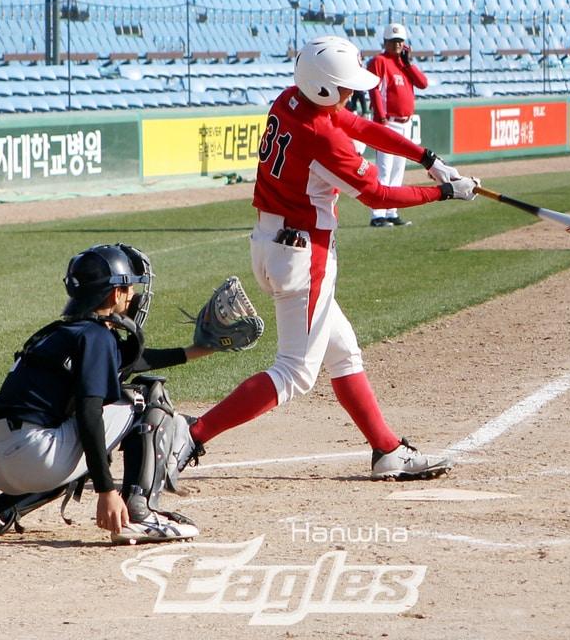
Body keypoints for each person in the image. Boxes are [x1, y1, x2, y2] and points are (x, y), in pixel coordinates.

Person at [181, 35, 477, 481]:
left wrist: (426, 157)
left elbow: (356, 126)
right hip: (304, 254)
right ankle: (190, 437)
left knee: (343, 353)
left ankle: (386, 450)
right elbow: (377, 194)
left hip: (273, 243)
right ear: (322, 86)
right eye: (344, 87)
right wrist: (444, 192)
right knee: (295, 372)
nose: (352, 93)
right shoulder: (320, 137)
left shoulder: (290, 101)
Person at [0, 244, 210, 544]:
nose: (133, 295)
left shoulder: (62, 333)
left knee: (81, 439)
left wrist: (198, 351)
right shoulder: (96, 336)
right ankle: (139, 513)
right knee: (146, 396)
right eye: (128, 287)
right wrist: (105, 491)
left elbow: (129, 360)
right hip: (36, 457)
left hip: (0, 458)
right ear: (114, 293)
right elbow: (91, 415)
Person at [366, 23, 430, 227]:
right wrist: (381, 116)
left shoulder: (403, 63)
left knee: (398, 171)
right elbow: (374, 89)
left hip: (405, 123)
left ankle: (392, 211)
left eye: (400, 41)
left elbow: (423, 83)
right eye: (393, 41)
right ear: (385, 42)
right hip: (388, 122)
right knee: (384, 170)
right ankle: (378, 214)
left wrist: (409, 63)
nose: (397, 45)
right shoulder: (379, 61)